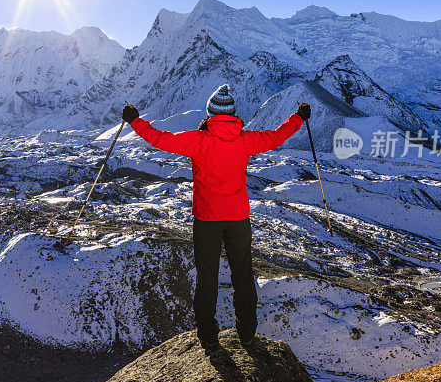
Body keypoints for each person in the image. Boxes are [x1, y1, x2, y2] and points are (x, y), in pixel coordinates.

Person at [122, 84, 310, 350]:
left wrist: (135, 121)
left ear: (210, 113)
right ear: (232, 115)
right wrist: (299, 117)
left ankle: (208, 335)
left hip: (207, 219)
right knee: (243, 274)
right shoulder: (245, 140)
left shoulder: (198, 141)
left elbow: (159, 139)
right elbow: (277, 136)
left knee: (207, 277)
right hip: (238, 218)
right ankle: (246, 332)